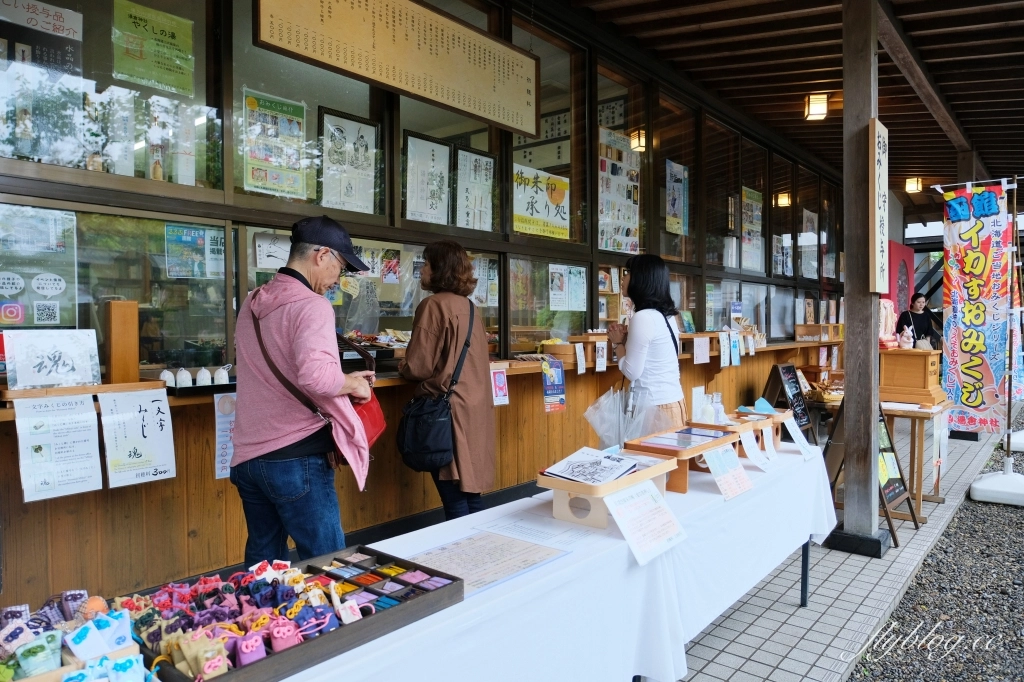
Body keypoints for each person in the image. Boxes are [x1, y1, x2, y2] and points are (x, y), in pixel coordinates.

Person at [232, 215, 375, 566]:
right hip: (296, 459)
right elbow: (316, 378)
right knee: (327, 562)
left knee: (265, 570)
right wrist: (354, 382)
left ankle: (263, 621)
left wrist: (336, 376)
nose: (337, 280)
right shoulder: (313, 306)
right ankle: (338, 624)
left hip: (248, 458)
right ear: (321, 255)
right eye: (339, 267)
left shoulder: (252, 303)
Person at [399, 240, 496, 520]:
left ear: (440, 268)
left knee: (453, 496)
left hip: (446, 414)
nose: (422, 270)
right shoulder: (471, 308)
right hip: (473, 410)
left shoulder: (432, 306)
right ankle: (480, 553)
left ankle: (463, 558)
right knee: (470, 493)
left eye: (426, 263)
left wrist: (403, 365)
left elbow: (418, 367)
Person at [606, 254, 686, 427]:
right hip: (673, 403)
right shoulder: (668, 316)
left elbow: (632, 371)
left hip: (654, 409)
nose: (623, 277)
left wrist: (617, 343)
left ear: (642, 279)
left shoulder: (643, 317)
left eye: (628, 272)